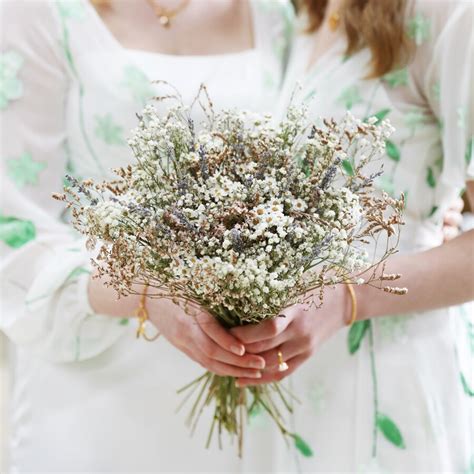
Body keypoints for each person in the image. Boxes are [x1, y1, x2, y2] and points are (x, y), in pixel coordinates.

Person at [0, 0, 293, 471]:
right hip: (94, 373)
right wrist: (146, 292)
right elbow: (14, 228)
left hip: (245, 367)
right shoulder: (38, 12)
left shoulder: (275, 14)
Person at [232, 0, 474, 472]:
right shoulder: (304, 15)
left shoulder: (449, 14)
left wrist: (347, 296)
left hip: (390, 373)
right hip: (289, 388)